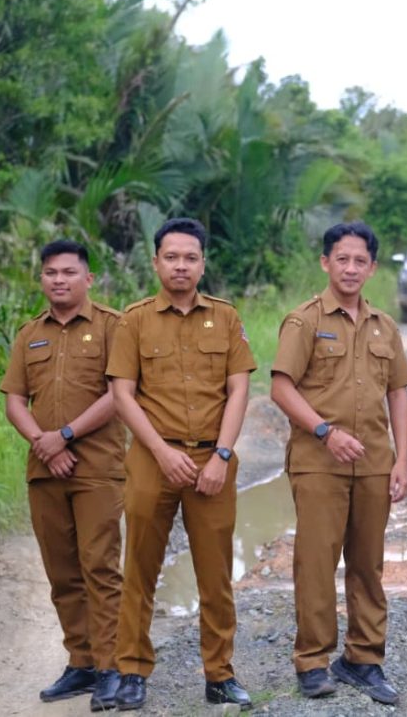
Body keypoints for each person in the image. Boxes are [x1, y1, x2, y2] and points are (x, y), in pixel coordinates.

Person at [105, 218, 256, 711]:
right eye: (171, 257)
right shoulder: (134, 320)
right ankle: (131, 671)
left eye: (190, 257)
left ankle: (220, 675)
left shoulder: (226, 318)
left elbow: (239, 388)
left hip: (213, 459)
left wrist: (223, 455)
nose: (181, 266)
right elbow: (122, 395)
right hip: (153, 457)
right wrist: (163, 453)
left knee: (215, 574)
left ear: (203, 263)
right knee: (140, 568)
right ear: (155, 262)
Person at [270, 221, 407, 705]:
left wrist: (402, 460)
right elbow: (281, 387)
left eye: (360, 261)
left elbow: (397, 393)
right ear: (325, 262)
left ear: (372, 268)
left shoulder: (384, 327)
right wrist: (324, 432)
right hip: (318, 461)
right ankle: (312, 661)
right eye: (342, 259)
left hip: (374, 462)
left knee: (368, 565)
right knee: (315, 563)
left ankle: (363, 660)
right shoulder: (304, 321)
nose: (350, 268)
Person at [1, 240, 126, 710]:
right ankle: (82, 662)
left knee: (100, 566)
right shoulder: (28, 334)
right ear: (42, 279)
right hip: (45, 469)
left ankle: (113, 667)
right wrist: (44, 443)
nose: (59, 280)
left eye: (69, 272)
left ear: (88, 279)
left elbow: (120, 394)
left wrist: (66, 435)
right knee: (61, 570)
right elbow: (15, 400)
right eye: (50, 272)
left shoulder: (113, 327)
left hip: (97, 469)